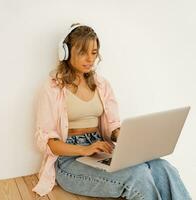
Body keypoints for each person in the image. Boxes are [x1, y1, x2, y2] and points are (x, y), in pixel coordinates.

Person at [32, 23, 191, 199]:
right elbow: (49, 143)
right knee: (137, 175)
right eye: (83, 52)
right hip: (69, 160)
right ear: (66, 53)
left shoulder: (101, 84)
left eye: (94, 53)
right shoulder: (52, 87)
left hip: (101, 148)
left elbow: (112, 127)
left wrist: (124, 137)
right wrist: (84, 150)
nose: (90, 59)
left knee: (163, 168)